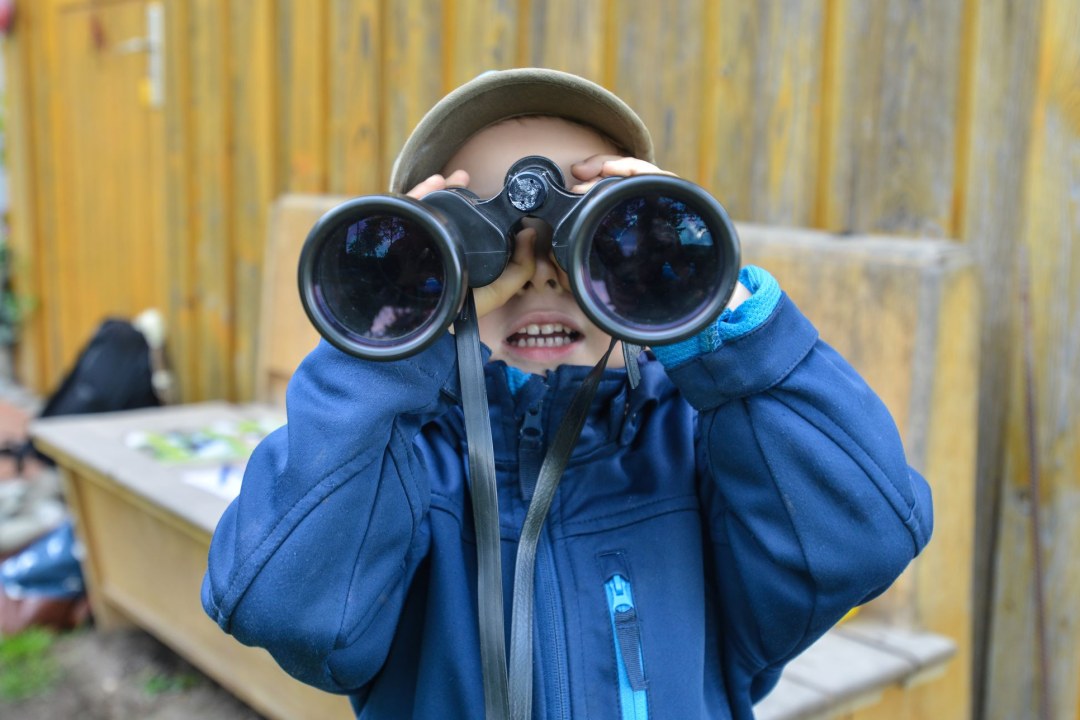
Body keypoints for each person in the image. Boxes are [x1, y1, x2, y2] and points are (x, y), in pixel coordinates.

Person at [202, 68, 932, 719]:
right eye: (479, 239)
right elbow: (280, 601)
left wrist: (699, 290)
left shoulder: (700, 454)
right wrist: (387, 338)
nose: (541, 273)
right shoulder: (406, 472)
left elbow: (867, 535)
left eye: (590, 234)